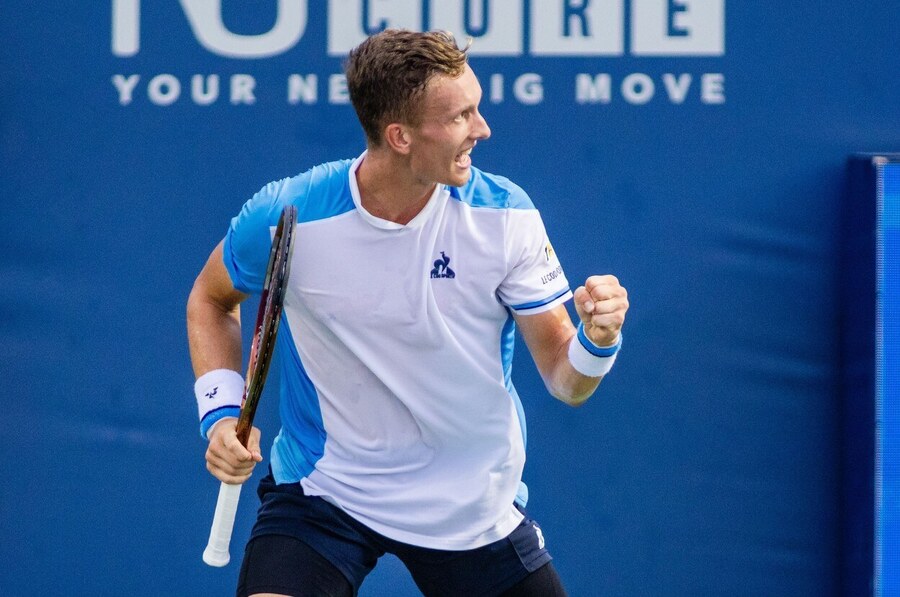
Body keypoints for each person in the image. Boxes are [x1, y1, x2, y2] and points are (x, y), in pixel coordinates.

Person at [187, 29, 628, 597]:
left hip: (470, 505)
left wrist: (598, 339)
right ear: (399, 136)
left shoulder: (506, 218)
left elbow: (568, 385)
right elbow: (211, 299)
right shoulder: (285, 218)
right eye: (461, 116)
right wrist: (222, 417)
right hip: (327, 492)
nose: (483, 129)